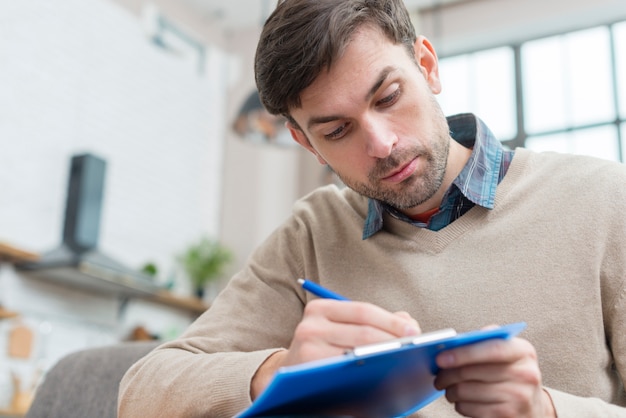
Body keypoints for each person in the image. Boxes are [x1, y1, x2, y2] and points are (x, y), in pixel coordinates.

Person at [118, 0, 626, 416]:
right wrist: (280, 372)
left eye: (388, 96)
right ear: (306, 143)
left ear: (427, 66)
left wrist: (547, 410)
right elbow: (142, 392)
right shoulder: (312, 234)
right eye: (337, 131)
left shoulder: (606, 199)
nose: (381, 143)